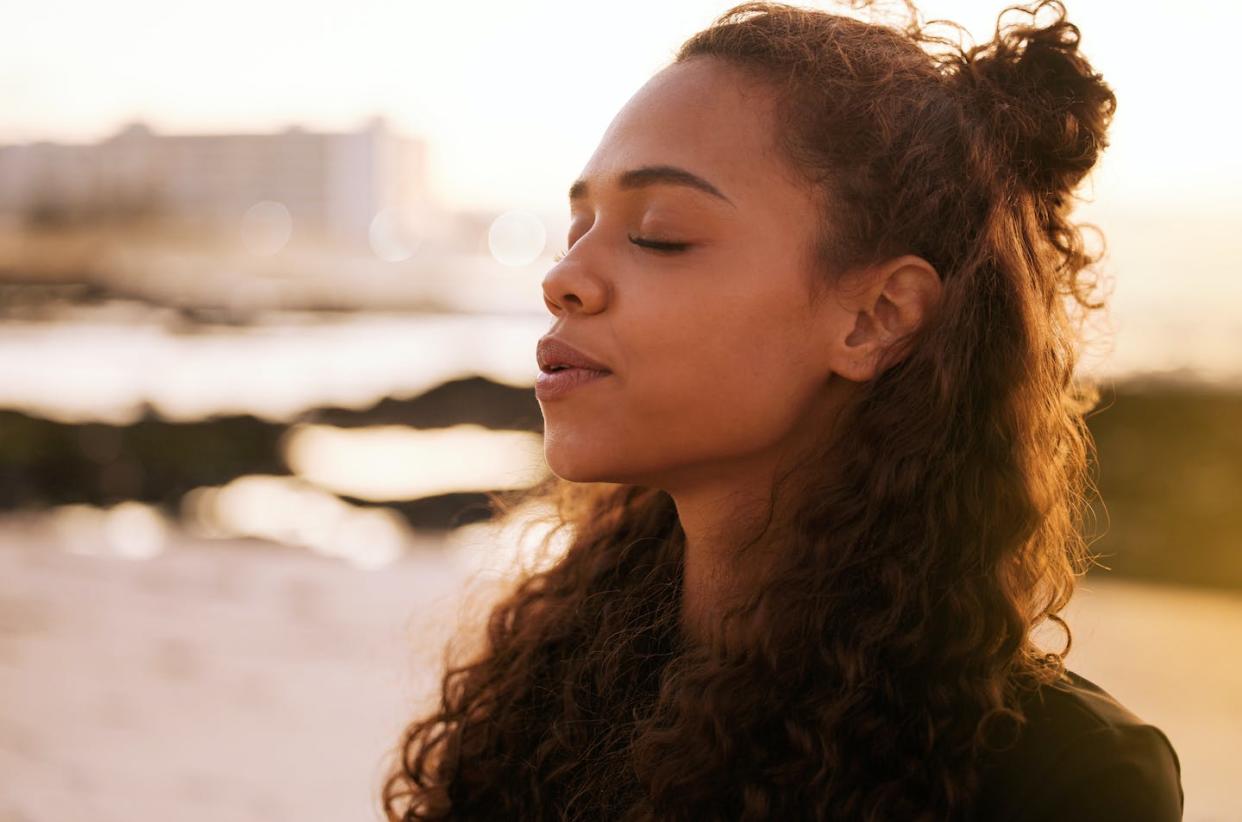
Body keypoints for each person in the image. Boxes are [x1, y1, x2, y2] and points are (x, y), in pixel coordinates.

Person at [382, 1, 1184, 819]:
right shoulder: (552, 688)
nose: (562, 279)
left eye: (659, 233)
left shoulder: (1064, 782)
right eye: (578, 227)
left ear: (876, 317)